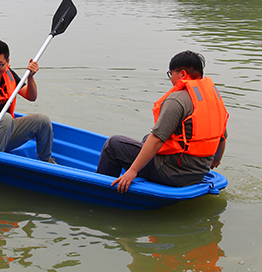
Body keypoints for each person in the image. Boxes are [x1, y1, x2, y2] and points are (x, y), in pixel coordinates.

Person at [96, 50, 228, 193]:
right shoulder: (213, 100)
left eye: (171, 74)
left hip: (173, 174)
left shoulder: (177, 100)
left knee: (114, 144)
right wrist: (215, 161)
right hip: (198, 173)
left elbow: (157, 139)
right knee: (147, 139)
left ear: (182, 74)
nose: (171, 79)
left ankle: (100, 191)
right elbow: (222, 138)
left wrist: (132, 171)